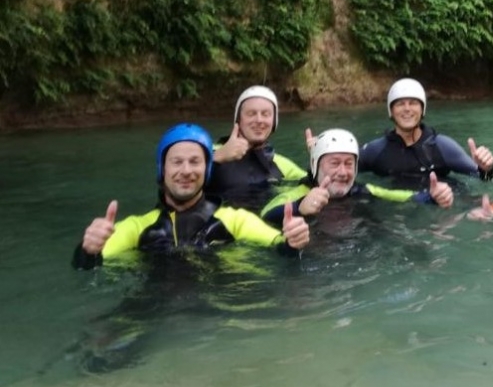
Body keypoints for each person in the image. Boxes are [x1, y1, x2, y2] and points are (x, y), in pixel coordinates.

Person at [73, 123, 310, 269]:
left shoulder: (234, 220)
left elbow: (279, 246)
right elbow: (88, 265)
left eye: (195, 161)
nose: (186, 170)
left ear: (206, 169)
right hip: (156, 307)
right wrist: (88, 251)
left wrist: (293, 241)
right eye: (177, 162)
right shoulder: (138, 228)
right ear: (162, 169)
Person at [262, 128, 456, 222]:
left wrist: (432, 197)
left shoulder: (361, 190)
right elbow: (265, 215)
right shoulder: (298, 194)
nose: (343, 172)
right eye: (334, 163)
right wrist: (299, 208)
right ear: (315, 165)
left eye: (349, 164)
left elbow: (401, 196)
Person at [355, 78, 493, 196]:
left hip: (442, 210)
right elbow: (342, 171)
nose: (407, 109)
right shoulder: (375, 150)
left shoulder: (442, 146)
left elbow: (485, 178)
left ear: (422, 110)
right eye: (400, 104)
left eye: (413, 103)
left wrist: (487, 168)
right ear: (391, 111)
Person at [207, 85, 311, 215]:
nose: (259, 120)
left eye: (266, 114)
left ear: (274, 122)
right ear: (238, 119)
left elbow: (312, 185)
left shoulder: (280, 163)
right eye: (251, 114)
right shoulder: (209, 152)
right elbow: (178, 177)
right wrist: (217, 157)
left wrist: (318, 158)